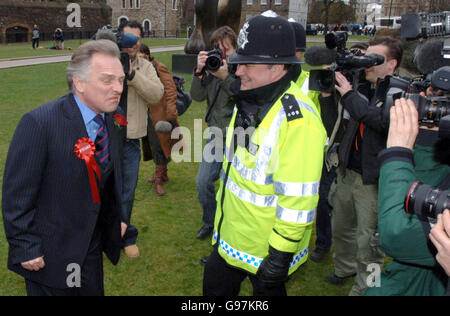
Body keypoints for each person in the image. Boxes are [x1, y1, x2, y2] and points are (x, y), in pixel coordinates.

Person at [203, 14, 327, 296]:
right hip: (230, 239)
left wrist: (280, 255)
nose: (239, 71)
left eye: (248, 63)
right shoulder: (249, 98)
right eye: (238, 63)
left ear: (278, 66)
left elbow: (299, 198)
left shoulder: (299, 121)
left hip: (265, 251)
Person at [2, 40, 127, 296]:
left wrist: (118, 221)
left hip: (90, 249)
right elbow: (17, 194)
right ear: (79, 82)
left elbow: (108, 181)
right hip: (50, 254)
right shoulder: (39, 124)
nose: (118, 89)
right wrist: (25, 245)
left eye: (121, 80)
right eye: (107, 80)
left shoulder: (113, 119)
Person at [325, 36, 404, 296]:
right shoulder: (362, 85)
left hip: (374, 180)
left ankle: (368, 288)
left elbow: (380, 120)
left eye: (374, 58)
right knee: (341, 229)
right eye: (365, 56)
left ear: (391, 64)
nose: (366, 63)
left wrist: (348, 93)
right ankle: (345, 268)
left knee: (369, 242)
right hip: (348, 172)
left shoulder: (400, 92)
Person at [363, 98, 449, 296]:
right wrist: (428, 136)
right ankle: (364, 283)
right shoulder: (378, 93)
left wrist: (397, 153)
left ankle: (366, 282)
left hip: (382, 181)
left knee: (372, 253)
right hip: (373, 179)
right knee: (367, 250)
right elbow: (420, 192)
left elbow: (397, 233)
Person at [310, 42, 369, 263]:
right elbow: (331, 125)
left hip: (361, 162)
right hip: (336, 155)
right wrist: (327, 96)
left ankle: (355, 261)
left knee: (358, 216)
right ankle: (324, 244)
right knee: (324, 200)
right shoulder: (338, 87)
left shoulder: (371, 90)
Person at [117, 20, 164, 258]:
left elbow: (157, 94)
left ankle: (124, 236)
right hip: (103, 139)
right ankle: (96, 234)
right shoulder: (105, 59)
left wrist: (131, 74)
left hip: (130, 140)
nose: (132, 44)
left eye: (137, 39)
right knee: (96, 189)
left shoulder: (144, 66)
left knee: (126, 192)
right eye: (128, 38)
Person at [190, 26, 238, 240]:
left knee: (231, 187)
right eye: (217, 49)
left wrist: (226, 75)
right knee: (203, 182)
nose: (222, 53)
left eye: (226, 49)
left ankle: (227, 229)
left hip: (240, 137)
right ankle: (210, 221)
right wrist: (199, 71)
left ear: (236, 49)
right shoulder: (212, 66)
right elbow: (197, 96)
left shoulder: (244, 69)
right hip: (216, 135)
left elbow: (244, 99)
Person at [138, 43, 181, 196]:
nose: (140, 57)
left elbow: (170, 89)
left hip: (160, 114)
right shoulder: (140, 69)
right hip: (147, 113)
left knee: (159, 144)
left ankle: (158, 179)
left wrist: (170, 113)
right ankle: (163, 173)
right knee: (155, 144)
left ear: (147, 54)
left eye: (142, 54)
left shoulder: (159, 67)